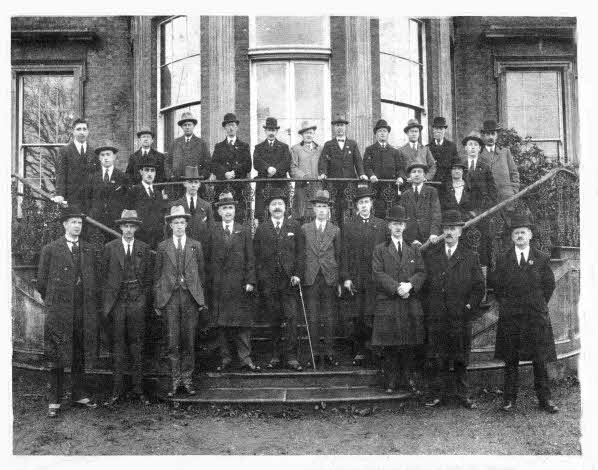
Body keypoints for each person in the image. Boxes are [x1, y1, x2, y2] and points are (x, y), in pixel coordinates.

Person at [489, 214, 559, 414]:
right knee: (511, 359)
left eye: (523, 232)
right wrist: (508, 305)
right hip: (511, 317)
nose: (519, 236)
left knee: (540, 359)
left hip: (535, 317)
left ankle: (545, 399)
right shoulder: (503, 260)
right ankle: (509, 399)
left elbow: (549, 285)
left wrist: (537, 304)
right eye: (516, 233)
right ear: (511, 237)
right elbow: (497, 286)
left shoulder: (541, 258)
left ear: (530, 235)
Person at [36, 205, 98, 417]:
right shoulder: (51, 249)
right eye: (73, 222)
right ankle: (55, 399)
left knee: (79, 351)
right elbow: (42, 282)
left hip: (82, 310)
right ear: (65, 224)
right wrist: (54, 303)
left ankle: (78, 394)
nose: (77, 226)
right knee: (57, 354)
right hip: (60, 310)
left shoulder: (88, 249)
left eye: (80, 223)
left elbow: (93, 280)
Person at [424, 210, 485, 409]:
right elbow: (425, 285)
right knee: (437, 356)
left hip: (460, 315)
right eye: (446, 228)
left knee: (461, 357)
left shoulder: (469, 256)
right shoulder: (432, 255)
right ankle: (437, 395)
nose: (449, 232)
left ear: (460, 231)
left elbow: (479, 287)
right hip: (438, 315)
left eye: (453, 228)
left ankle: (463, 395)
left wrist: (468, 306)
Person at [371, 205, 426, 394]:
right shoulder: (380, 249)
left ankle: (408, 379)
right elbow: (377, 273)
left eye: (401, 224)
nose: (398, 227)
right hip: (389, 301)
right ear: (389, 226)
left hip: (409, 301)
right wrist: (397, 288)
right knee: (390, 344)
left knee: (408, 343)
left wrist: (410, 285)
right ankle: (391, 380)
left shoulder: (414, 249)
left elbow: (421, 271)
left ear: (405, 226)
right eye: (395, 224)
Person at [154, 205, 207, 397]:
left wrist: (200, 299)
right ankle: (175, 380)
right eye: (175, 222)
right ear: (170, 225)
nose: (179, 226)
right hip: (170, 298)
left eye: (182, 222)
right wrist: (159, 301)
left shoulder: (195, 245)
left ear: (186, 224)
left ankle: (187, 378)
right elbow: (157, 276)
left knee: (189, 340)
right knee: (172, 340)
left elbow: (201, 275)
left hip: (190, 298)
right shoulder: (162, 247)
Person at [102, 210, 153, 406]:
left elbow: (149, 277)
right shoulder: (110, 248)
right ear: (121, 227)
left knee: (137, 345)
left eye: (132, 226)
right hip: (117, 302)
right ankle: (116, 391)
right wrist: (109, 302)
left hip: (137, 301)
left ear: (136, 228)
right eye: (126, 226)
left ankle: (138, 390)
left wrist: (143, 298)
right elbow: (103, 276)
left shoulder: (144, 248)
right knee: (118, 346)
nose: (129, 230)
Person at [205, 192, 260, 372]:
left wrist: (250, 280)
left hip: (239, 285)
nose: (228, 211)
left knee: (242, 325)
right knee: (221, 325)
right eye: (224, 208)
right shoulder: (212, 231)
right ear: (219, 211)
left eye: (231, 208)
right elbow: (207, 259)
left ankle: (245, 359)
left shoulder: (242, 230)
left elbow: (251, 258)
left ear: (235, 211)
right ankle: (226, 358)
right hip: (219, 285)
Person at [253, 188, 305, 371]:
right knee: (273, 319)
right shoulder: (262, 229)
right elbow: (256, 256)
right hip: (269, 281)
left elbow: (301, 253)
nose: (277, 207)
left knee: (291, 318)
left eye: (280, 204)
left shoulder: (294, 226)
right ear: (268, 208)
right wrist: (261, 277)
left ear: (286, 207)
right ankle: (275, 355)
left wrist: (298, 274)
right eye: (274, 204)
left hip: (289, 281)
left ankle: (291, 356)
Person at [341, 186, 388, 366]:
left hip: (376, 278)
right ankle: (360, 351)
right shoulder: (349, 225)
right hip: (357, 277)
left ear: (372, 204)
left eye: (366, 202)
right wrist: (346, 277)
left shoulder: (381, 225)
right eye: (361, 203)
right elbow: (344, 253)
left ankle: (376, 350)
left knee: (375, 314)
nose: (364, 206)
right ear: (356, 206)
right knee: (359, 315)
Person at [301, 189, 341, 367]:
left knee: (330, 317)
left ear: (329, 209)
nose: (322, 210)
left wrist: (339, 279)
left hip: (329, 277)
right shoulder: (305, 229)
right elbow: (301, 255)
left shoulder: (335, 230)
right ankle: (314, 353)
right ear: (314, 209)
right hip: (311, 277)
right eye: (319, 207)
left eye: (325, 207)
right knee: (313, 317)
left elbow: (339, 255)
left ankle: (330, 352)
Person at [462, 131, 498, 290]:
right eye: (470, 144)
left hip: (481, 216)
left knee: (482, 248)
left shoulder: (485, 167)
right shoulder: (459, 167)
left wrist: (480, 211)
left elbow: (493, 192)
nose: (472, 148)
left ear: (480, 148)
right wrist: (466, 212)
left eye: (476, 145)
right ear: (465, 147)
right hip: (463, 216)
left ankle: (482, 286)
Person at [318, 113, 368, 224]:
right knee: (334, 209)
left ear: (345, 127)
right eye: (337, 125)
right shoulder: (328, 144)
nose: (340, 128)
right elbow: (323, 161)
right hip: (333, 183)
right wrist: (323, 173)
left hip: (349, 183)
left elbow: (358, 161)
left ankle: (348, 231)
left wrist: (361, 174)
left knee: (349, 209)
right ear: (334, 128)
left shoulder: (352, 144)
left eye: (342, 125)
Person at [210, 113, 252, 222]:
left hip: (238, 188)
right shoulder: (219, 146)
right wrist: (224, 173)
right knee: (221, 217)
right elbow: (213, 165)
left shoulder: (244, 146)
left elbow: (248, 165)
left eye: (233, 125)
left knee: (239, 217)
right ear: (224, 128)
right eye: (228, 125)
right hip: (223, 187)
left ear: (237, 127)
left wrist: (234, 172)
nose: (231, 127)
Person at [86, 143, 129, 246]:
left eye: (108, 154)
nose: (105, 158)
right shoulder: (92, 178)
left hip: (115, 223)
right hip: (96, 223)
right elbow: (87, 199)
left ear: (114, 157)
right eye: (102, 155)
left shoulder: (122, 177)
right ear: (99, 158)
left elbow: (127, 200)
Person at [53, 118, 99, 208]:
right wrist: (60, 194)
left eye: (84, 129)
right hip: (71, 199)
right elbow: (60, 174)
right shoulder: (64, 151)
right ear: (73, 131)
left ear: (88, 132)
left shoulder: (94, 153)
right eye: (78, 129)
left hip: (90, 201)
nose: (82, 132)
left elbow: (97, 176)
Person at [363, 119, 405, 219]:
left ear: (388, 134)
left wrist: (400, 177)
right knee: (378, 213)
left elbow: (400, 168)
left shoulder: (395, 151)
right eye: (380, 131)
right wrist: (371, 175)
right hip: (376, 188)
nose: (382, 133)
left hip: (391, 188)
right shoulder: (370, 150)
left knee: (392, 213)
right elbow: (366, 166)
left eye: (384, 131)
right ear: (376, 134)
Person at [253, 117, 292, 222]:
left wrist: (275, 169)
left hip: (279, 185)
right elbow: (256, 163)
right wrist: (267, 168)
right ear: (265, 131)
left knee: (280, 212)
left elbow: (287, 163)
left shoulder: (284, 147)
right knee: (263, 215)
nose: (271, 132)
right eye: (269, 130)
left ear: (277, 131)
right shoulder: (258, 148)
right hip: (263, 186)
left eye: (273, 130)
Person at [128, 162, 168, 249]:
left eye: (152, 171)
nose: (149, 174)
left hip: (157, 239)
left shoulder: (158, 193)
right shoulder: (134, 191)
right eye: (146, 170)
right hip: (140, 238)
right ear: (141, 172)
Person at [401, 163, 441, 248]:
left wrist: (434, 233)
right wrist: (410, 239)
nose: (417, 174)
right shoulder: (405, 194)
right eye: (414, 172)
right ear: (410, 176)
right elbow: (403, 219)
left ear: (424, 175)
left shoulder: (432, 191)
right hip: (411, 238)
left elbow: (436, 214)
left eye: (420, 171)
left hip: (428, 237)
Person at [479, 119, 520, 204]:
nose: (490, 137)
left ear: (496, 136)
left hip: (507, 197)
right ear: (483, 136)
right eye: (487, 134)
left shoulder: (505, 152)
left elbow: (514, 172)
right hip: (488, 200)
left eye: (493, 134)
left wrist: (513, 191)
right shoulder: (479, 155)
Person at [171, 165, 214, 245]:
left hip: (202, 248)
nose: (193, 185)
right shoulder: (176, 205)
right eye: (190, 182)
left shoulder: (206, 206)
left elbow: (211, 230)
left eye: (196, 182)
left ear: (199, 184)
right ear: (184, 184)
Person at [290, 120, 322, 223]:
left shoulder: (320, 149)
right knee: (301, 215)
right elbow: (292, 168)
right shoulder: (295, 149)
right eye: (306, 133)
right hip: (301, 187)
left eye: (311, 133)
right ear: (302, 135)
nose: (309, 135)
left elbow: (324, 166)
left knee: (317, 214)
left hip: (317, 187)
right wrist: (304, 176)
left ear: (314, 134)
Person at [167, 111, 212, 181]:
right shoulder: (175, 143)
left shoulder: (201, 143)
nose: (187, 127)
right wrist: (171, 176)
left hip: (196, 183)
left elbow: (208, 163)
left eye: (189, 125)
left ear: (193, 126)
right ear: (181, 127)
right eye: (185, 125)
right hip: (178, 183)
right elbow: (167, 162)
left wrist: (201, 176)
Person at [427, 116, 459, 186]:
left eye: (441, 129)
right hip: (431, 183)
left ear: (444, 130)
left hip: (447, 183)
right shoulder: (427, 147)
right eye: (436, 128)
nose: (438, 131)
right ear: (433, 130)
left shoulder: (452, 146)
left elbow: (455, 164)